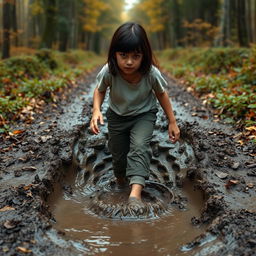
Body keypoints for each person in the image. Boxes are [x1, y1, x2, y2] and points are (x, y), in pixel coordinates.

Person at [90, 22, 180, 210]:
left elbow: (162, 94)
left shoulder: (150, 73)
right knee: (118, 153)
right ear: (114, 54)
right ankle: (121, 179)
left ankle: (135, 193)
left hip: (144, 116)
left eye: (135, 56)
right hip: (117, 116)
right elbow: (99, 90)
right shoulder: (109, 71)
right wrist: (96, 110)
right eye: (123, 56)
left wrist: (172, 121)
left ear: (144, 56)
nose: (129, 62)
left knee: (139, 146)